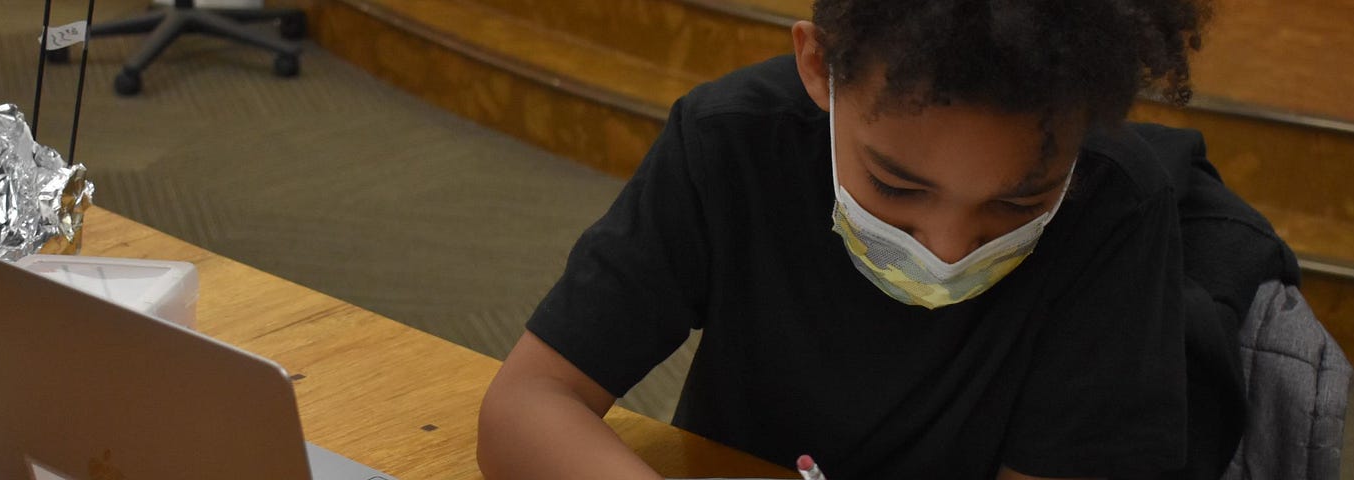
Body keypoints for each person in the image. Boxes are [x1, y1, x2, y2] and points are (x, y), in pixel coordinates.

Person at [478, 0, 1299, 478]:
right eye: (898, 187)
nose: (945, 249)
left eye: (1018, 202)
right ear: (817, 64)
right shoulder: (731, 144)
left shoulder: (1115, 214)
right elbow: (525, 405)